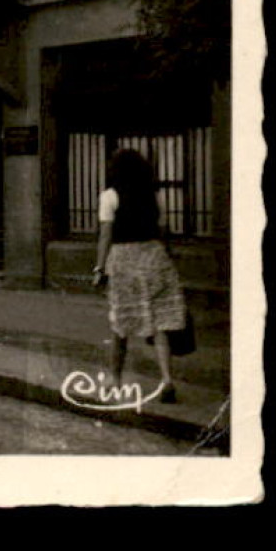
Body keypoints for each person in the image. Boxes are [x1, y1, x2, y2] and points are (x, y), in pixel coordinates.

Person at [94, 148, 187, 404]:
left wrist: (99, 268)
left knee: (120, 325)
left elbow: (106, 236)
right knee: (160, 325)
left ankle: (115, 380)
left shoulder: (109, 196)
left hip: (124, 262)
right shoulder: (155, 195)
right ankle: (167, 379)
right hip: (156, 258)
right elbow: (163, 232)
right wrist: (167, 258)